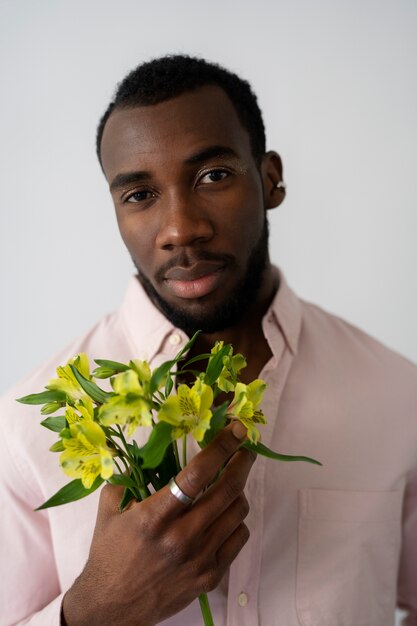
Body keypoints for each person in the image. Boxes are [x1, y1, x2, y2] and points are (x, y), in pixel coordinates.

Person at [1, 54, 416, 626]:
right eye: (139, 195)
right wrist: (97, 609)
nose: (180, 229)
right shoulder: (26, 433)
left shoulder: (399, 398)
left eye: (213, 176)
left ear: (270, 178)